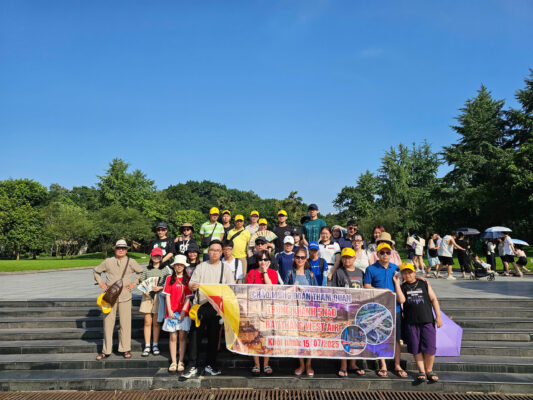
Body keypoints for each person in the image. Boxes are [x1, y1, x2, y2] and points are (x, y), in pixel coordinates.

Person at [182, 240, 235, 379]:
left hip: (216, 308)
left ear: (221, 252)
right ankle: (191, 365)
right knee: (195, 337)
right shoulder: (201, 267)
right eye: (212, 250)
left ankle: (210, 364)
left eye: (217, 250)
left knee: (213, 337)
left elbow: (230, 288)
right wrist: (194, 286)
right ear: (208, 251)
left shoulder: (225, 268)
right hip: (200, 306)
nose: (214, 253)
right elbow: (192, 283)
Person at [93, 239, 143, 360]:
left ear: (126, 250)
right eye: (118, 248)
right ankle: (106, 350)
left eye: (123, 248)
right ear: (115, 249)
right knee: (108, 323)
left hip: (125, 296)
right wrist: (101, 283)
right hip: (110, 296)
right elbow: (96, 271)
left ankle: (125, 349)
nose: (121, 250)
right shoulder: (108, 261)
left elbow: (141, 272)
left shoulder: (131, 261)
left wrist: (134, 283)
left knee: (125, 324)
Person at [363, 242, 406, 379]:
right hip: (379, 308)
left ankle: (397, 364)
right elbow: (366, 286)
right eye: (382, 252)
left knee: (396, 337)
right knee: (381, 336)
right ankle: (383, 364)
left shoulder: (396, 268)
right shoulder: (371, 269)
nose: (385, 255)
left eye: (388, 252)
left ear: (391, 254)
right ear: (377, 254)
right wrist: (382, 291)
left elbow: (407, 279)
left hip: (395, 307)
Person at [395, 262, 442, 383]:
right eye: (405, 273)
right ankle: (421, 371)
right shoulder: (403, 287)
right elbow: (401, 300)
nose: (408, 275)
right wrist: (397, 284)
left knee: (430, 347)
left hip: (427, 320)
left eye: (410, 272)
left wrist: (438, 317)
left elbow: (434, 299)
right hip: (411, 322)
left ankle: (429, 370)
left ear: (414, 272)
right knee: (415, 348)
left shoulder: (423, 283)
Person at [331, 247, 366, 378]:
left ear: (354, 258)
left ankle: (353, 363)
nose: (347, 260)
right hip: (344, 309)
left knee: (356, 336)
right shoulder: (338, 272)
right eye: (344, 257)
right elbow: (334, 291)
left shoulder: (360, 272)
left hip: (358, 309)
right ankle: (343, 365)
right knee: (344, 336)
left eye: (349, 257)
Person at [286, 247, 318, 376]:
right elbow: (284, 292)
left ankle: (309, 364)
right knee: (298, 338)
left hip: (308, 311)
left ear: (306, 259)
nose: (300, 260)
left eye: (302, 257)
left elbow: (317, 292)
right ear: (294, 258)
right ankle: (301, 364)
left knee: (309, 338)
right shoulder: (290, 273)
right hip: (295, 311)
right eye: (298, 257)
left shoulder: (310, 274)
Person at [246, 250, 277, 375]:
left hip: (268, 310)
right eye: (260, 259)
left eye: (265, 259)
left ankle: (266, 364)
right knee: (255, 337)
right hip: (255, 309)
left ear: (269, 261)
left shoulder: (273, 273)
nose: (263, 262)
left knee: (267, 337)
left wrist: (265, 272)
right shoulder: (251, 273)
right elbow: (248, 291)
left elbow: (271, 289)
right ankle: (257, 364)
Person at [162, 255, 192, 373]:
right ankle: (174, 361)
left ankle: (181, 361)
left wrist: (184, 311)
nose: (179, 266)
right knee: (173, 336)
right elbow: (167, 296)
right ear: (174, 266)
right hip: (171, 312)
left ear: (184, 266)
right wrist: (169, 310)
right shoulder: (169, 278)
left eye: (181, 264)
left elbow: (188, 297)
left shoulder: (188, 279)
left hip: (183, 312)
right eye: (177, 264)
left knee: (182, 336)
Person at [139, 248, 167, 357]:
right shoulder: (146, 269)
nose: (156, 258)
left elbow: (168, 282)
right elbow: (141, 281)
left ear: (161, 257)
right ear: (151, 256)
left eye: (158, 256)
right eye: (154, 256)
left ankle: (155, 344)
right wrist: (144, 290)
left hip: (159, 296)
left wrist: (160, 287)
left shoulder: (165, 269)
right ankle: (147, 345)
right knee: (147, 321)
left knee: (156, 322)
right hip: (147, 297)